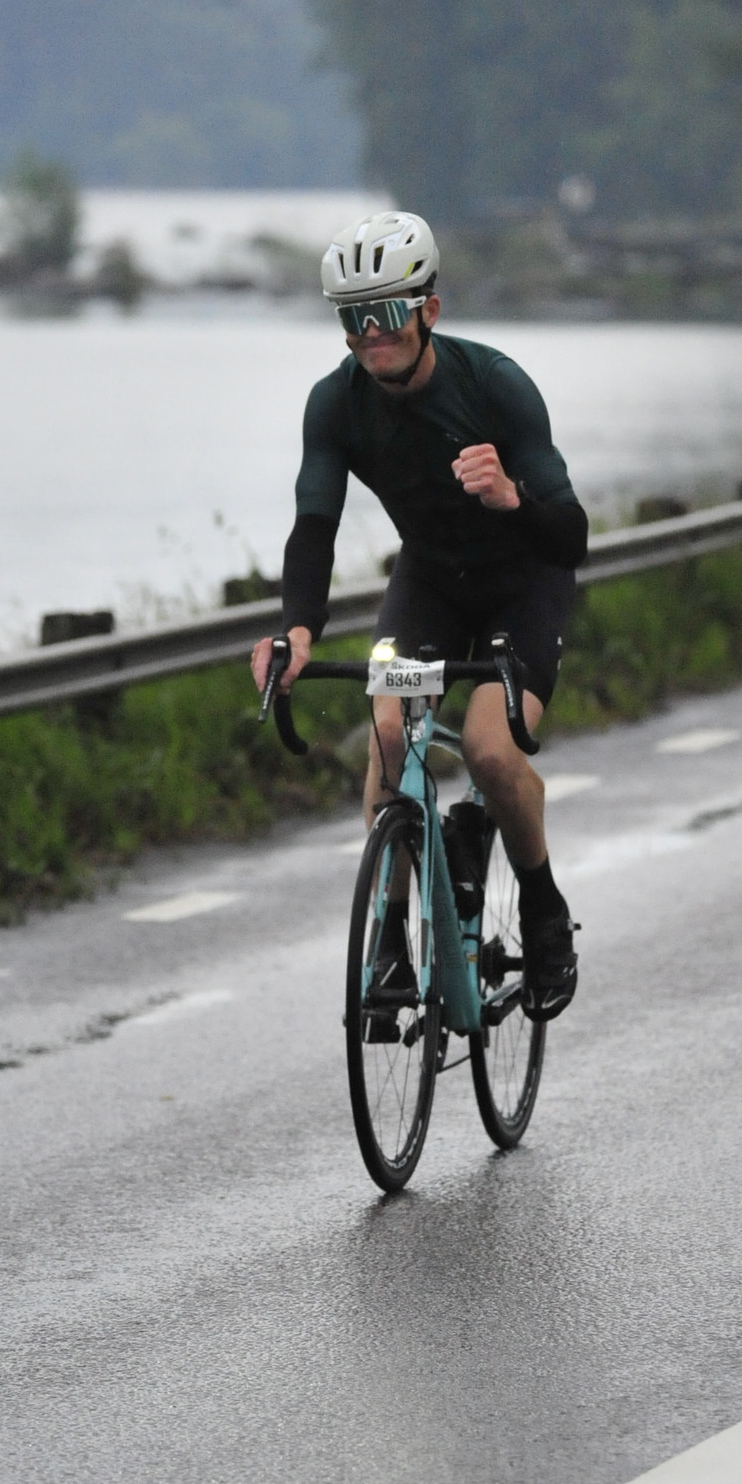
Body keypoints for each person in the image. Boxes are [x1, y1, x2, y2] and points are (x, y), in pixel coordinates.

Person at [251, 209, 588, 1020]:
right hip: (431, 580)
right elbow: (314, 527)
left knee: (489, 752)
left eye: (385, 311)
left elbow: (572, 536)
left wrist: (511, 497)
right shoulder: (335, 406)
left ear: (427, 308)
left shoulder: (494, 384)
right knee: (390, 732)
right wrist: (297, 632)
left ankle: (543, 911)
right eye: (352, 317)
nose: (370, 334)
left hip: (524, 582)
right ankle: (391, 935)